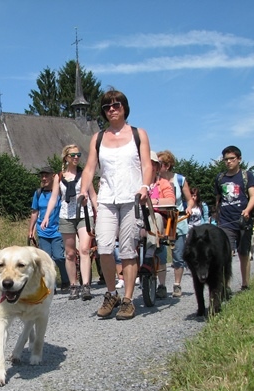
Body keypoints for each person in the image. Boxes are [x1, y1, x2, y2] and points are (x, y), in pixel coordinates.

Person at [79, 88, 153, 320]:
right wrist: (83, 189)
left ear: (124, 107)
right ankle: (112, 294)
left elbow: (147, 165)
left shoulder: (138, 133)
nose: (112, 109)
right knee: (103, 248)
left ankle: (128, 300)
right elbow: (90, 167)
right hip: (107, 199)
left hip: (132, 198)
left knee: (129, 250)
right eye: (107, 106)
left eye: (116, 105)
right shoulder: (98, 138)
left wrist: (145, 187)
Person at [42, 145, 98, 301]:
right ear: (66, 157)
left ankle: (86, 285)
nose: (76, 157)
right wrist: (46, 216)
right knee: (70, 253)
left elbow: (93, 195)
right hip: (66, 215)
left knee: (85, 249)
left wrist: (99, 211)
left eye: (78, 154)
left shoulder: (84, 175)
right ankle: (74, 286)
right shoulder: (58, 177)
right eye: (73, 155)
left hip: (84, 214)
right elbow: (54, 198)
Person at [214, 145, 254, 290]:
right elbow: (218, 199)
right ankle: (225, 285)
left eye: (231, 159)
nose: (228, 162)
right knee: (226, 253)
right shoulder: (220, 178)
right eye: (226, 159)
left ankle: (245, 284)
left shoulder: (247, 176)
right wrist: (217, 214)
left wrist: (247, 210)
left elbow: (253, 196)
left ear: (239, 159)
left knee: (243, 252)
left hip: (243, 220)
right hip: (226, 221)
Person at [157, 150, 194, 299]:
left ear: (167, 165)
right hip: (161, 219)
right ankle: (161, 285)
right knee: (160, 254)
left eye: (159, 164)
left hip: (176, 219)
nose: (156, 166)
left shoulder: (179, 179)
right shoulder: (155, 181)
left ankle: (177, 284)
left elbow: (189, 198)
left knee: (178, 254)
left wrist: (189, 207)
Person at [28, 166, 69, 292]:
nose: (44, 178)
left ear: (53, 177)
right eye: (42, 176)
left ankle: (66, 279)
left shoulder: (60, 192)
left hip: (57, 230)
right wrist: (31, 230)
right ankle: (51, 284)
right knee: (46, 259)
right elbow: (35, 212)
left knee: (59, 257)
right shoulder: (38, 193)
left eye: (46, 175)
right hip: (43, 231)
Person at [141, 152, 176, 294]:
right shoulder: (136, 184)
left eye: (152, 164)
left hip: (157, 219)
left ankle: (148, 259)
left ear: (157, 167)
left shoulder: (163, 183)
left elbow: (170, 201)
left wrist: (151, 202)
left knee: (154, 216)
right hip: (140, 219)